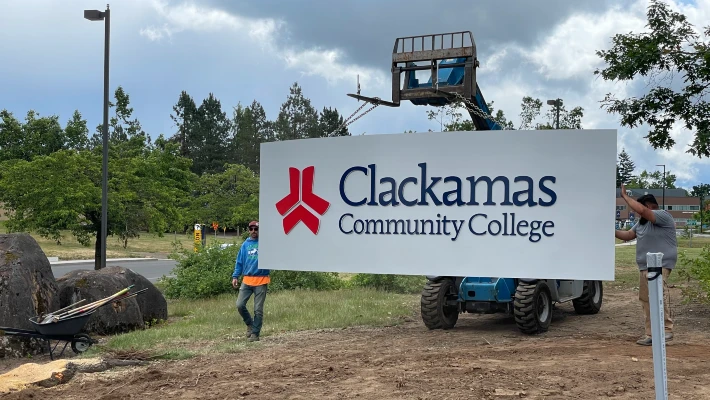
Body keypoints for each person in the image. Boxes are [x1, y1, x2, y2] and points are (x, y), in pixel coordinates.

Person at [615, 184, 676, 346]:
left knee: (658, 294)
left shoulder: (663, 215)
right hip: (644, 266)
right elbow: (627, 235)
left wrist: (625, 197)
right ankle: (651, 334)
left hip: (660, 263)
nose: (636, 211)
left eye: (638, 208)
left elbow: (642, 211)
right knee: (646, 299)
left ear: (650, 206)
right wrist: (609, 230)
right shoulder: (641, 223)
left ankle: (666, 330)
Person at [232, 221, 269, 342]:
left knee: (258, 309)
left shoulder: (265, 243)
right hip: (247, 279)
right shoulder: (245, 245)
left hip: (261, 280)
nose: (254, 231)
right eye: (251, 229)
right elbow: (239, 262)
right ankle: (250, 324)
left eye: (256, 229)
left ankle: (255, 333)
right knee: (240, 305)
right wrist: (235, 276)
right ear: (248, 230)